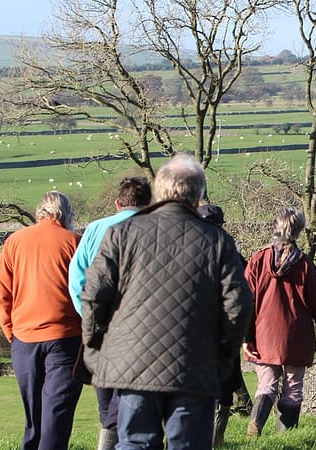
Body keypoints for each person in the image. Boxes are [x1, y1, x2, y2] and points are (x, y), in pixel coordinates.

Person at [80, 154, 253, 449]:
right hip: (195, 365)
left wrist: (95, 350)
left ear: (158, 191)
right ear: (198, 195)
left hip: (131, 364)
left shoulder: (121, 234)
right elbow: (238, 305)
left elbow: (95, 295)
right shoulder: (217, 241)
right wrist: (223, 359)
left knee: (135, 443)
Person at [0, 191, 83, 450]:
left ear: (40, 211)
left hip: (24, 338)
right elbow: (87, 288)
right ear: (66, 214)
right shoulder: (75, 242)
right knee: (57, 411)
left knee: (33, 415)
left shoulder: (15, 241)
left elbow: (1, 292)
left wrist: (12, 332)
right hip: (65, 337)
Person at [68, 176, 151, 450]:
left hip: (100, 322)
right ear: (150, 203)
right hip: (140, 325)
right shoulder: (155, 229)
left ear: (117, 203)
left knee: (105, 392)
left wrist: (87, 314)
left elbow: (76, 277)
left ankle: (108, 439)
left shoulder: (94, 229)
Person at [242, 206, 316, 437]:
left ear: (275, 227)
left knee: (266, 385)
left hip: (264, 335)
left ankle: (256, 423)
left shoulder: (258, 260)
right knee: (293, 387)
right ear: (298, 231)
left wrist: (246, 336)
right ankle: (286, 438)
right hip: (297, 336)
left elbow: (244, 300)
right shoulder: (304, 265)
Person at [197, 203, 253, 447]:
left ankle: (202, 439)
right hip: (223, 330)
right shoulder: (230, 249)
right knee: (225, 387)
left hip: (195, 329)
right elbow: (244, 291)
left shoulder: (187, 246)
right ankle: (215, 441)